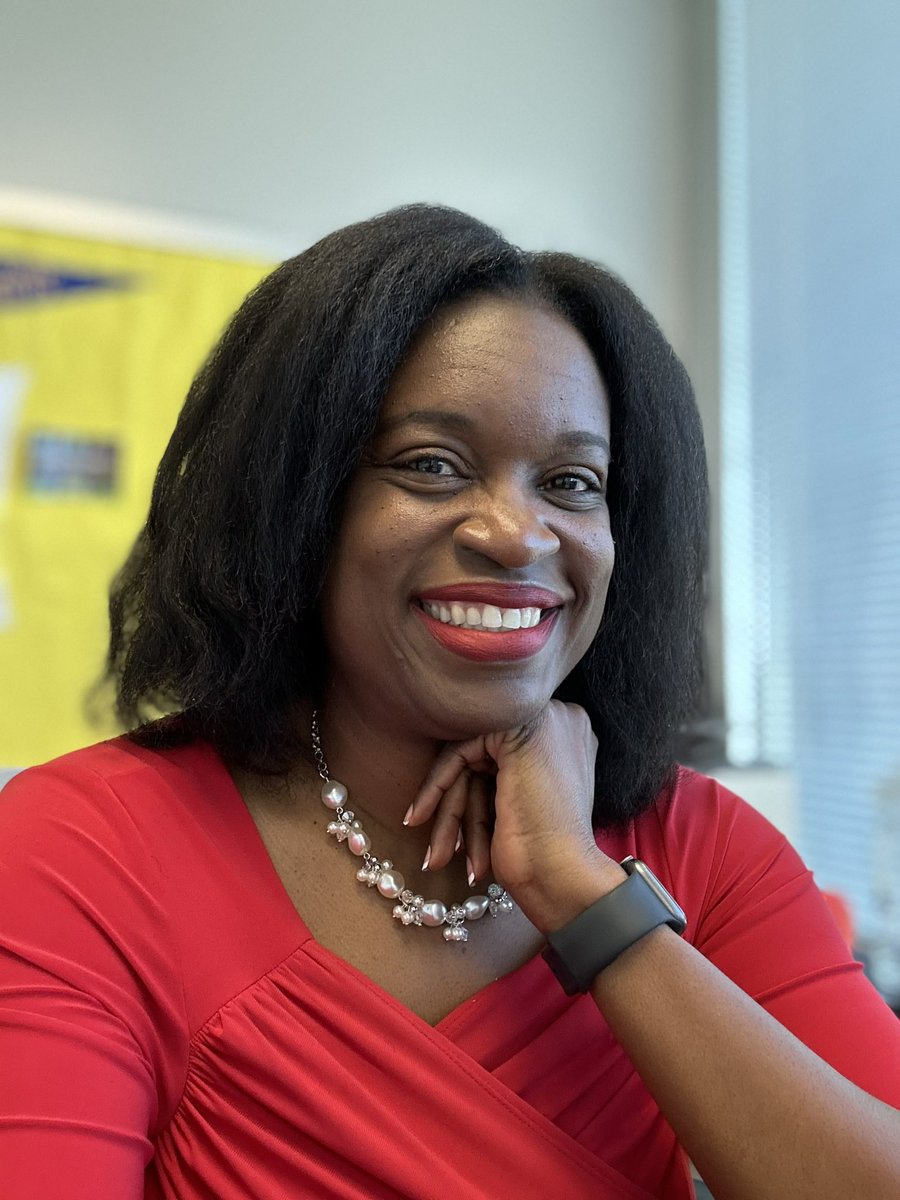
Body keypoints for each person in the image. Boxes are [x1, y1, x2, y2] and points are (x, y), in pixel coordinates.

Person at [1, 204, 898, 1200]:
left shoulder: (704, 850)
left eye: (571, 481)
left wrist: (585, 896)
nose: (518, 534)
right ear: (298, 505)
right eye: (432, 464)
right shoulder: (82, 850)